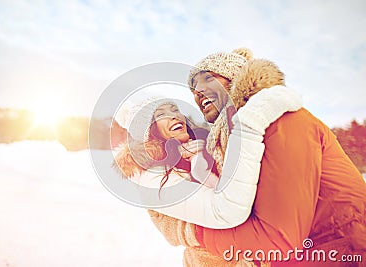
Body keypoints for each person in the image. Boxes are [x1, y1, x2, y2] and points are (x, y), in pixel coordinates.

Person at [150, 48, 366, 266]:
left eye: (208, 78)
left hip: (343, 251)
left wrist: (193, 233)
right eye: (193, 89)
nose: (198, 92)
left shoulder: (282, 121)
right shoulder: (232, 141)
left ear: (235, 77)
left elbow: (278, 238)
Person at [113, 92, 301, 228]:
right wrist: (202, 172)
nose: (175, 115)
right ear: (149, 132)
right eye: (161, 114)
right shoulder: (151, 177)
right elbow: (226, 212)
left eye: (175, 109)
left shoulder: (202, 146)